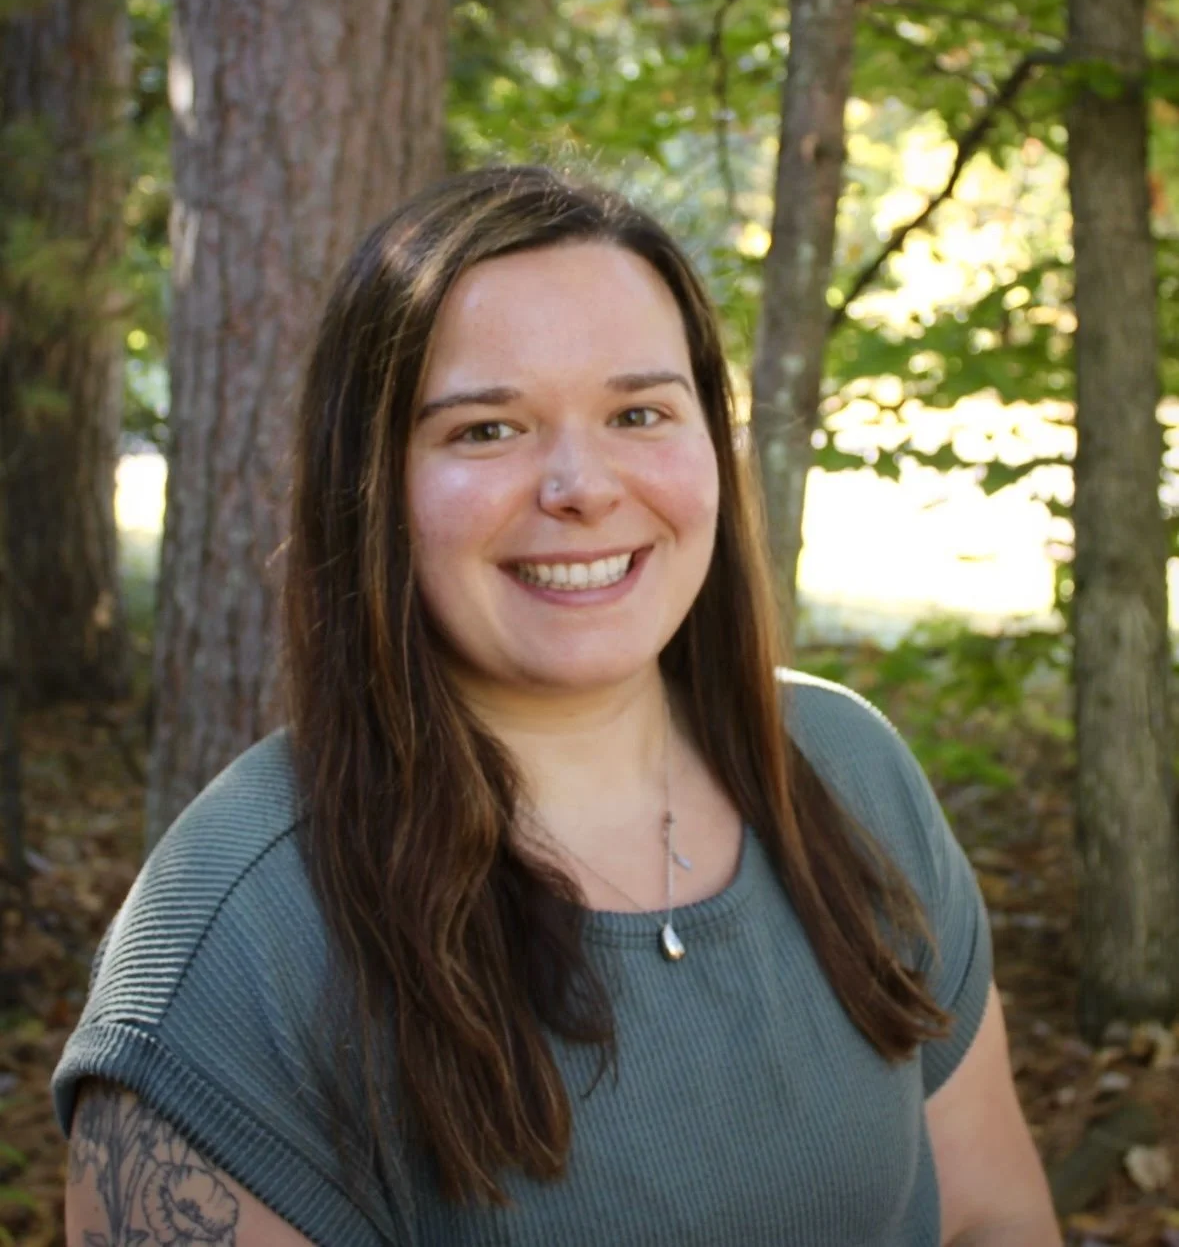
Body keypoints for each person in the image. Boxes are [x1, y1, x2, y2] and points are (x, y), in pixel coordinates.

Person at [54, 165, 1061, 1246]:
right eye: (488, 429)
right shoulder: (236, 946)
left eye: (638, 411)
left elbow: (993, 1215)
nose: (581, 485)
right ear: (373, 485)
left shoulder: (848, 770)